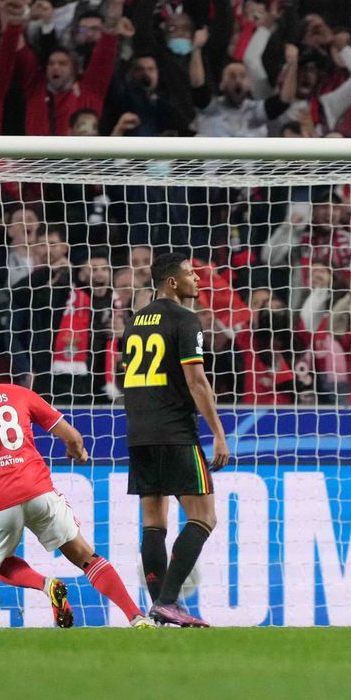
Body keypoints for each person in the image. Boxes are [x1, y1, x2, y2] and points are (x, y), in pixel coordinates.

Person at [0, 338, 151, 629]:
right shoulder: (19, 393)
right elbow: (72, 436)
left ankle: (46, 585)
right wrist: (77, 451)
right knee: (85, 555)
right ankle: (137, 616)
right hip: (39, 492)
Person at [121, 253, 230, 627]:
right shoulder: (185, 319)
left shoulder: (134, 322)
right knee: (204, 516)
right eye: (190, 273)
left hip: (139, 432)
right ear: (172, 282)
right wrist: (218, 434)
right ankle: (167, 601)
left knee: (154, 522)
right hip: (175, 431)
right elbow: (196, 381)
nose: (197, 278)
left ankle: (158, 609)